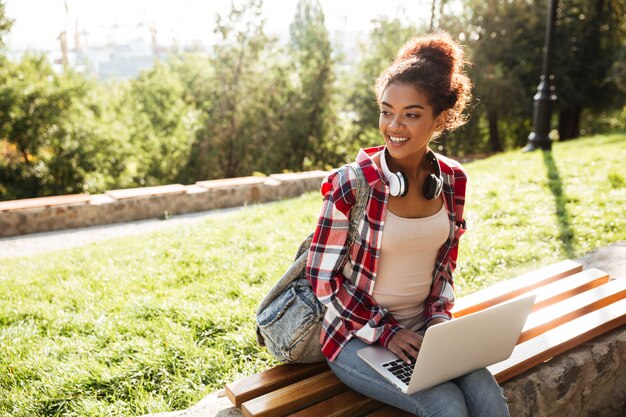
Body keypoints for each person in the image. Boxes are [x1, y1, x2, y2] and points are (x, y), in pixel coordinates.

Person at [305, 32, 510, 416]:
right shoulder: (351, 184)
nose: (394, 126)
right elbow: (322, 280)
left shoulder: (453, 180)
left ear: (441, 119)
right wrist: (388, 332)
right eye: (386, 111)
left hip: (426, 333)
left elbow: (444, 268)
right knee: (447, 407)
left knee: (489, 401)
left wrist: (436, 322)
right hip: (356, 334)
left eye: (412, 114)